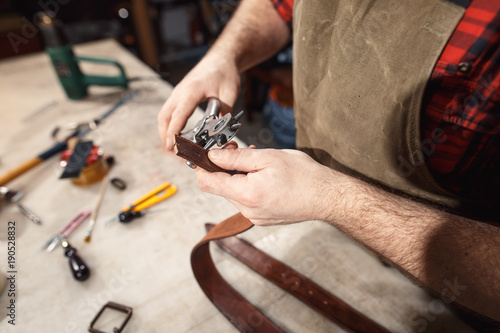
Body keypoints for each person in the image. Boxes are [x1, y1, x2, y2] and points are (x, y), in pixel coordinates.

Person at [158, 0, 500, 327]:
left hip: (445, 291)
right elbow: (278, 4)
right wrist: (225, 55)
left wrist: (332, 199)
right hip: (312, 218)